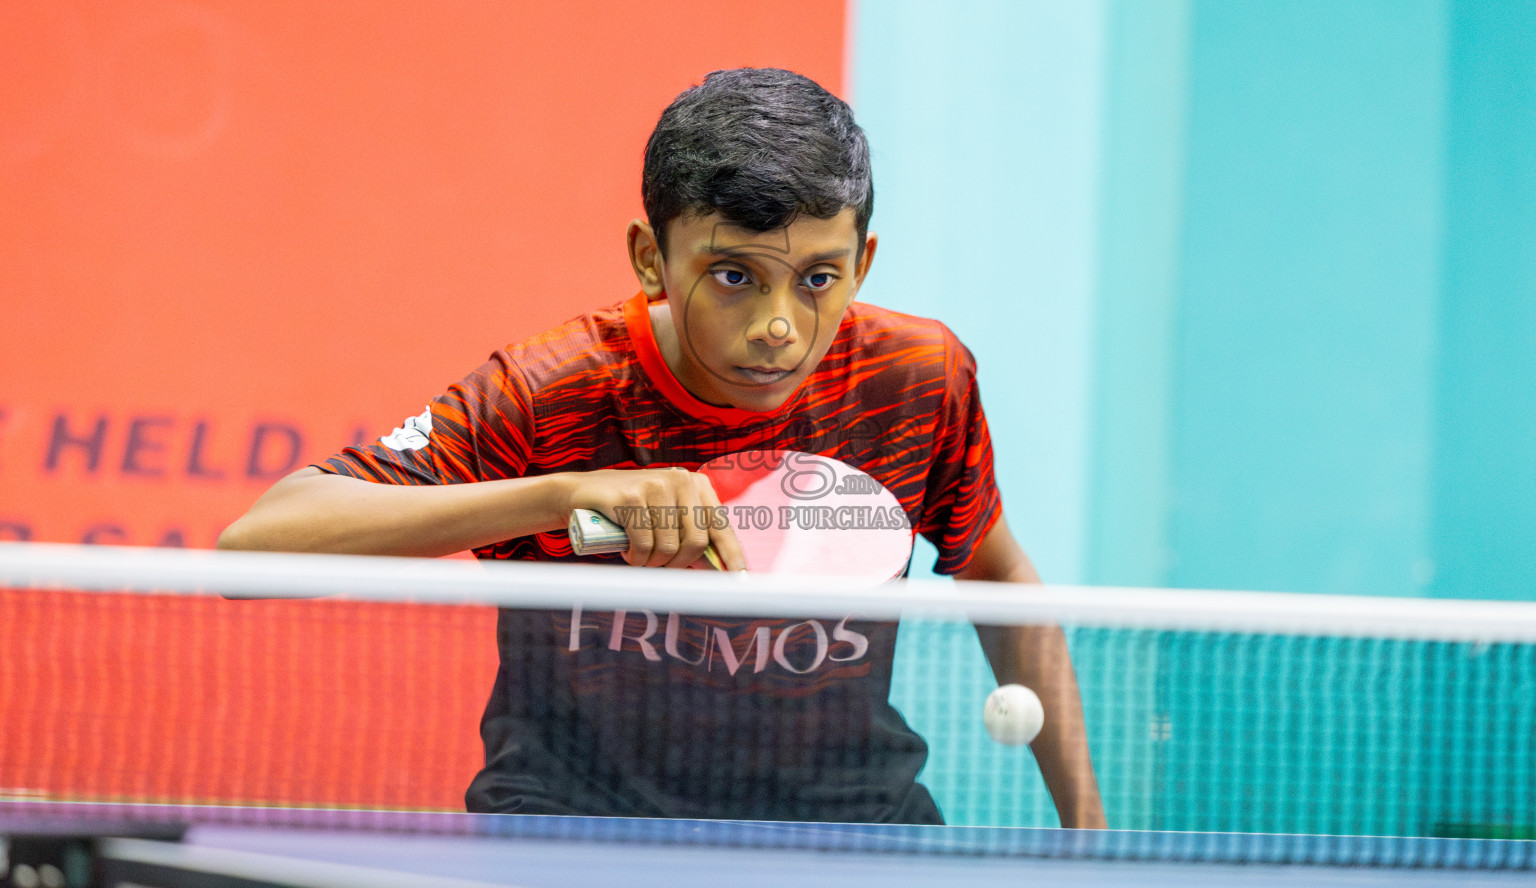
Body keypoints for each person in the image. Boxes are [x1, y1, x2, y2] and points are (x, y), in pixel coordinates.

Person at [219, 67, 1106, 827]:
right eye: (734, 276)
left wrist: (1091, 841)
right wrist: (562, 494)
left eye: (818, 279)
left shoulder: (914, 381)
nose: (778, 326)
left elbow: (999, 579)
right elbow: (254, 548)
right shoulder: (553, 391)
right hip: (578, 832)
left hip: (850, 825)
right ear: (651, 257)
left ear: (862, 264)